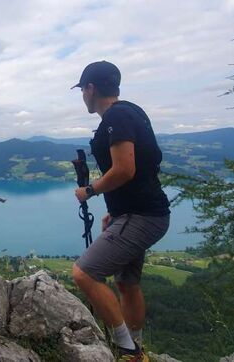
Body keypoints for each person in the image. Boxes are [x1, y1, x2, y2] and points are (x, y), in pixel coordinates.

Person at [70, 61, 170, 362]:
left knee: (84, 273)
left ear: (90, 89)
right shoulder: (131, 111)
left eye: (82, 91)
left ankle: (128, 350)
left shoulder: (116, 116)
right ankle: (136, 349)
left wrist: (90, 190)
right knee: (127, 283)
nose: (82, 97)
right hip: (141, 212)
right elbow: (142, 170)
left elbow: (125, 169)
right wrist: (116, 210)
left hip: (141, 215)